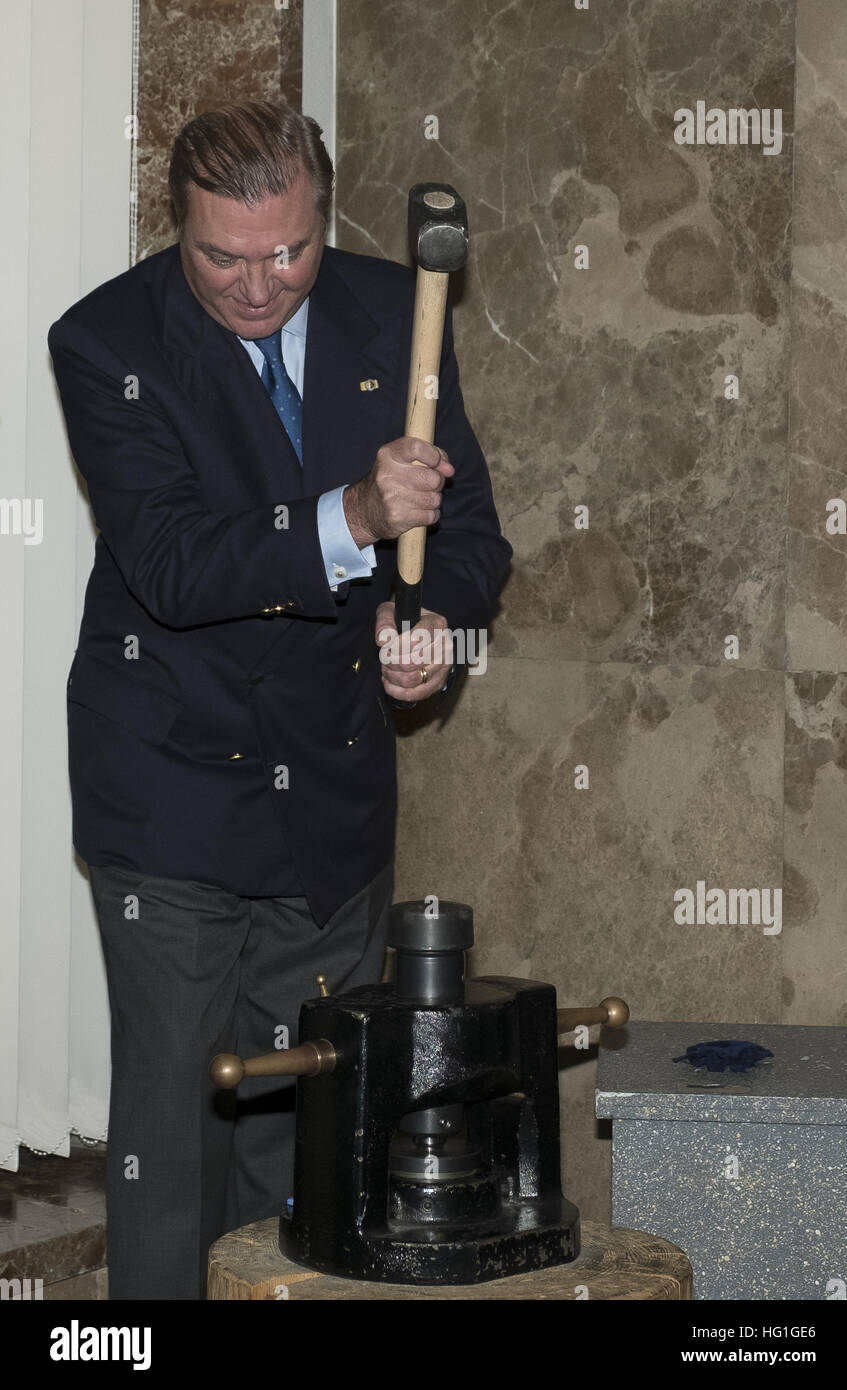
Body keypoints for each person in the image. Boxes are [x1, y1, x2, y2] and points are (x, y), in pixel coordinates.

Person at [48, 100, 511, 1300]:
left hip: (333, 786)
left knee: (303, 1114)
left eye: (287, 251)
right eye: (221, 257)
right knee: (176, 1128)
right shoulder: (105, 344)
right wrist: (354, 518)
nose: (258, 286)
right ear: (176, 227)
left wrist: (431, 626)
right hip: (172, 785)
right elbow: (176, 564)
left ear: (321, 212)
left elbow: (464, 535)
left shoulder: (393, 312)